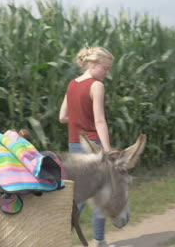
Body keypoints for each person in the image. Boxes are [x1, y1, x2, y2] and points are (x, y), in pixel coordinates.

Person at [59, 46, 114, 247]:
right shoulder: (96, 86)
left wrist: (79, 118)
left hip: (74, 145)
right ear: (92, 65)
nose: (107, 73)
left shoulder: (72, 84)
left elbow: (62, 117)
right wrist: (107, 151)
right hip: (93, 145)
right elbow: (100, 121)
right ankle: (100, 241)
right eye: (105, 68)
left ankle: (58, 239)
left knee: (78, 197)